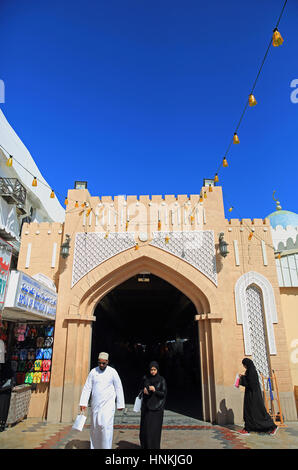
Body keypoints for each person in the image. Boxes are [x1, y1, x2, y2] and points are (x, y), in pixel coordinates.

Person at [79, 352, 125, 449]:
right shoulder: (93, 372)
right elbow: (87, 387)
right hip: (96, 406)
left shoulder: (112, 372)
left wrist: (120, 404)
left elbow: (118, 387)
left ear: (107, 362)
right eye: (99, 363)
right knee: (95, 428)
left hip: (108, 406)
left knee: (105, 427)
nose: (101, 365)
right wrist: (83, 403)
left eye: (103, 363)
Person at [239, 358, 278, 436]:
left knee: (258, 412)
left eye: (244, 365)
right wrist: (243, 377)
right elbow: (249, 381)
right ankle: (248, 428)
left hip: (253, 396)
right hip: (251, 395)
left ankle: (272, 426)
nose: (244, 366)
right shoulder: (250, 371)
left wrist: (242, 378)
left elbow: (251, 383)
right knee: (250, 412)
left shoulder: (252, 372)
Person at [139, 361, 167, 449]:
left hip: (157, 409)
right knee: (145, 430)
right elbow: (140, 390)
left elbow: (163, 393)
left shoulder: (162, 380)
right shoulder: (146, 379)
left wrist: (155, 390)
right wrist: (144, 390)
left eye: (154, 370)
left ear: (157, 370)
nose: (153, 372)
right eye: (151, 370)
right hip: (147, 408)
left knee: (154, 431)